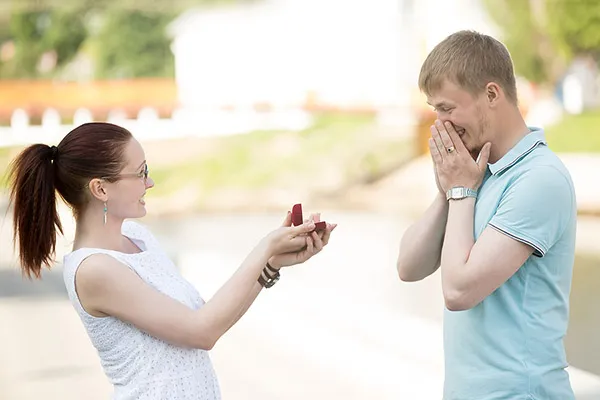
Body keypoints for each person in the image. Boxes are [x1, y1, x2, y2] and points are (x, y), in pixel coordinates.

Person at [7, 122, 337, 399]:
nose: (149, 182)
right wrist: (263, 247)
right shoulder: (94, 269)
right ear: (101, 189)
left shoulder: (138, 237)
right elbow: (202, 332)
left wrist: (272, 261)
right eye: (141, 173)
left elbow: (207, 316)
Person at [396, 31, 577, 399]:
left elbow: (459, 291)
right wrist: (448, 191)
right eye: (436, 110)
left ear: (492, 94)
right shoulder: (476, 173)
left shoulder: (539, 178)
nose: (440, 123)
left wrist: (461, 191)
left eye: (447, 108)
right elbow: (408, 267)